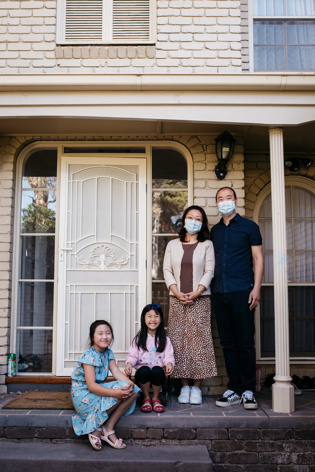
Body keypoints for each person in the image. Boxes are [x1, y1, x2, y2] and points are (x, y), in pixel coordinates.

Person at [210, 187, 264, 410]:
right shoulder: (214, 231)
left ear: (236, 200)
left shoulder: (249, 227)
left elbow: (258, 258)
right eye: (220, 199)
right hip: (220, 291)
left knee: (245, 341)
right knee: (228, 342)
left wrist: (256, 288)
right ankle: (234, 388)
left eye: (228, 198)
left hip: (243, 290)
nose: (225, 202)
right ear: (217, 204)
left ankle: (248, 389)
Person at [163, 205, 217, 405]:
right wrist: (177, 292)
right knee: (178, 341)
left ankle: (196, 388)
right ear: (184, 220)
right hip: (176, 299)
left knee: (199, 342)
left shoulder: (207, 245)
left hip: (200, 300)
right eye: (190, 217)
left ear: (202, 223)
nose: (193, 220)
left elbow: (210, 270)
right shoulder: (172, 245)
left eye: (198, 218)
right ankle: (184, 386)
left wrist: (197, 292)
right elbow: (167, 270)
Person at [71, 320, 140, 450]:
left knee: (133, 390)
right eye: (100, 333)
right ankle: (96, 427)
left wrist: (130, 384)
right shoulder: (89, 355)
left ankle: (108, 429)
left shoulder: (108, 353)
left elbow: (116, 372)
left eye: (108, 333)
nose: (105, 337)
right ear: (92, 337)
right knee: (119, 390)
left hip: (96, 391)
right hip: (84, 395)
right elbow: (91, 385)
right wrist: (115, 393)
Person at [124, 303, 175, 413]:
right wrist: (129, 363)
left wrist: (169, 363)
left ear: (161, 319)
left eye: (156, 316)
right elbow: (133, 355)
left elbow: (168, 355)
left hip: (158, 374)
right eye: (149, 316)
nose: (153, 319)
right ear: (144, 318)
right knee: (144, 370)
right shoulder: (138, 339)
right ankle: (146, 398)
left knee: (157, 370)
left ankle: (156, 399)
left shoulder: (165, 339)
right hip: (143, 374)